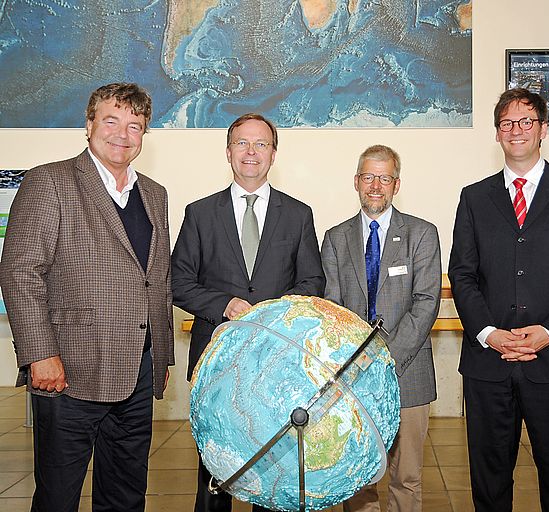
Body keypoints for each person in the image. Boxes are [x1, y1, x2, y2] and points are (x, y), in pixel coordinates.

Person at [0, 82, 174, 511]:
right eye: (111, 120)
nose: (122, 133)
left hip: (137, 374)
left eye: (135, 125)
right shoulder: (50, 182)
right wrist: (39, 353)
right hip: (68, 374)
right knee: (58, 498)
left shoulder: (155, 194)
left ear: (144, 134)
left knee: (126, 495)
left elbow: (158, 280)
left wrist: (162, 356)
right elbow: (21, 273)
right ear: (89, 124)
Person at [448, 88, 549, 512]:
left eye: (526, 122)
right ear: (497, 134)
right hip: (488, 365)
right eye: (507, 123)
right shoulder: (474, 197)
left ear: (543, 130)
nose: (516, 130)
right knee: (489, 479)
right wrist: (490, 333)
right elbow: (462, 272)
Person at [171, 112, 325, 512]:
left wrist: (271, 313)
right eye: (242, 143)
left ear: (274, 154)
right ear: (228, 152)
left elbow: (313, 282)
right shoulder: (200, 213)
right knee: (214, 469)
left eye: (261, 144)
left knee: (273, 467)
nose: (251, 152)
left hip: (277, 360)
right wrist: (223, 305)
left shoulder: (298, 213)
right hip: (216, 359)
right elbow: (178, 282)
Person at [321, 145, 441, 512]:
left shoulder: (422, 234)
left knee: (406, 477)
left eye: (384, 178)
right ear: (356, 182)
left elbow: (426, 302)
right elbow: (334, 310)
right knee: (358, 477)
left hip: (408, 371)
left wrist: (386, 357)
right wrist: (359, 359)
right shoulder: (335, 238)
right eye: (369, 177)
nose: (376, 186)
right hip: (353, 375)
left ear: (397, 184)